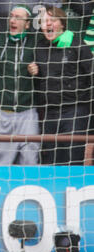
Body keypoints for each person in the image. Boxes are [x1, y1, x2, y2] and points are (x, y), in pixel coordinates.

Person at [28, 6, 94, 165]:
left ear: (62, 24)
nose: (48, 24)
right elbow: (39, 85)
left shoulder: (77, 45)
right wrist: (34, 73)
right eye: (44, 21)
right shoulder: (39, 48)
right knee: (50, 157)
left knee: (72, 156)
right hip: (50, 111)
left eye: (52, 20)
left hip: (75, 110)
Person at [0, 5, 40, 165]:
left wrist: (39, 70)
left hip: (28, 113)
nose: (12, 20)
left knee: (30, 162)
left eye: (18, 17)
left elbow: (47, 70)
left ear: (27, 24)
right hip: (1, 113)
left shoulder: (35, 44)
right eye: (11, 16)